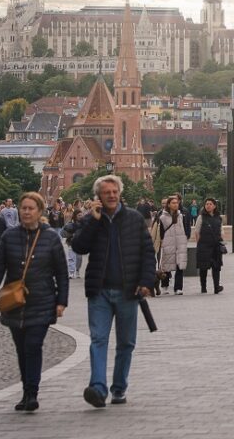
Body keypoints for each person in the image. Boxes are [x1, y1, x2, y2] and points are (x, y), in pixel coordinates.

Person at [70, 174, 156, 408]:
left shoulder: (134, 219)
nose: (111, 196)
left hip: (129, 291)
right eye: (106, 192)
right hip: (100, 291)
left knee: (126, 342)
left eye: (114, 192)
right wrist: (93, 221)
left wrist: (147, 281)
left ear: (120, 194)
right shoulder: (91, 220)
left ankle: (119, 388)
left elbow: (148, 252)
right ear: (98, 196)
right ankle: (98, 388)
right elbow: (78, 246)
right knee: (98, 339)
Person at [0, 192, 68, 413]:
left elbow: (61, 272)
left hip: (42, 300)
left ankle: (32, 393)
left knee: (33, 345)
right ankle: (26, 390)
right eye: (24, 208)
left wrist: (62, 301)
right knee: (21, 349)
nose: (26, 212)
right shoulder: (9, 237)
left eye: (31, 208)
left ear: (39, 211)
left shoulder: (50, 238)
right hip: (15, 303)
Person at [156, 195, 190, 295]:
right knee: (166, 265)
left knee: (180, 265)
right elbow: (160, 231)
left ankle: (178, 287)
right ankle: (165, 285)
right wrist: (161, 242)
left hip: (180, 242)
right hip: (167, 242)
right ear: (169, 204)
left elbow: (184, 227)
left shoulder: (180, 216)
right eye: (173, 203)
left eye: (177, 203)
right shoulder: (162, 217)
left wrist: (185, 238)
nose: (176, 205)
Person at [194, 198, 225, 294]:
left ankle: (216, 287)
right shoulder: (201, 217)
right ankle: (203, 287)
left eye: (210, 204)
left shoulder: (218, 217)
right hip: (204, 245)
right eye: (206, 204)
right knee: (203, 267)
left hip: (216, 246)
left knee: (216, 267)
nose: (208, 205)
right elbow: (197, 231)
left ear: (214, 206)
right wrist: (199, 243)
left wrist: (222, 240)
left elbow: (221, 230)